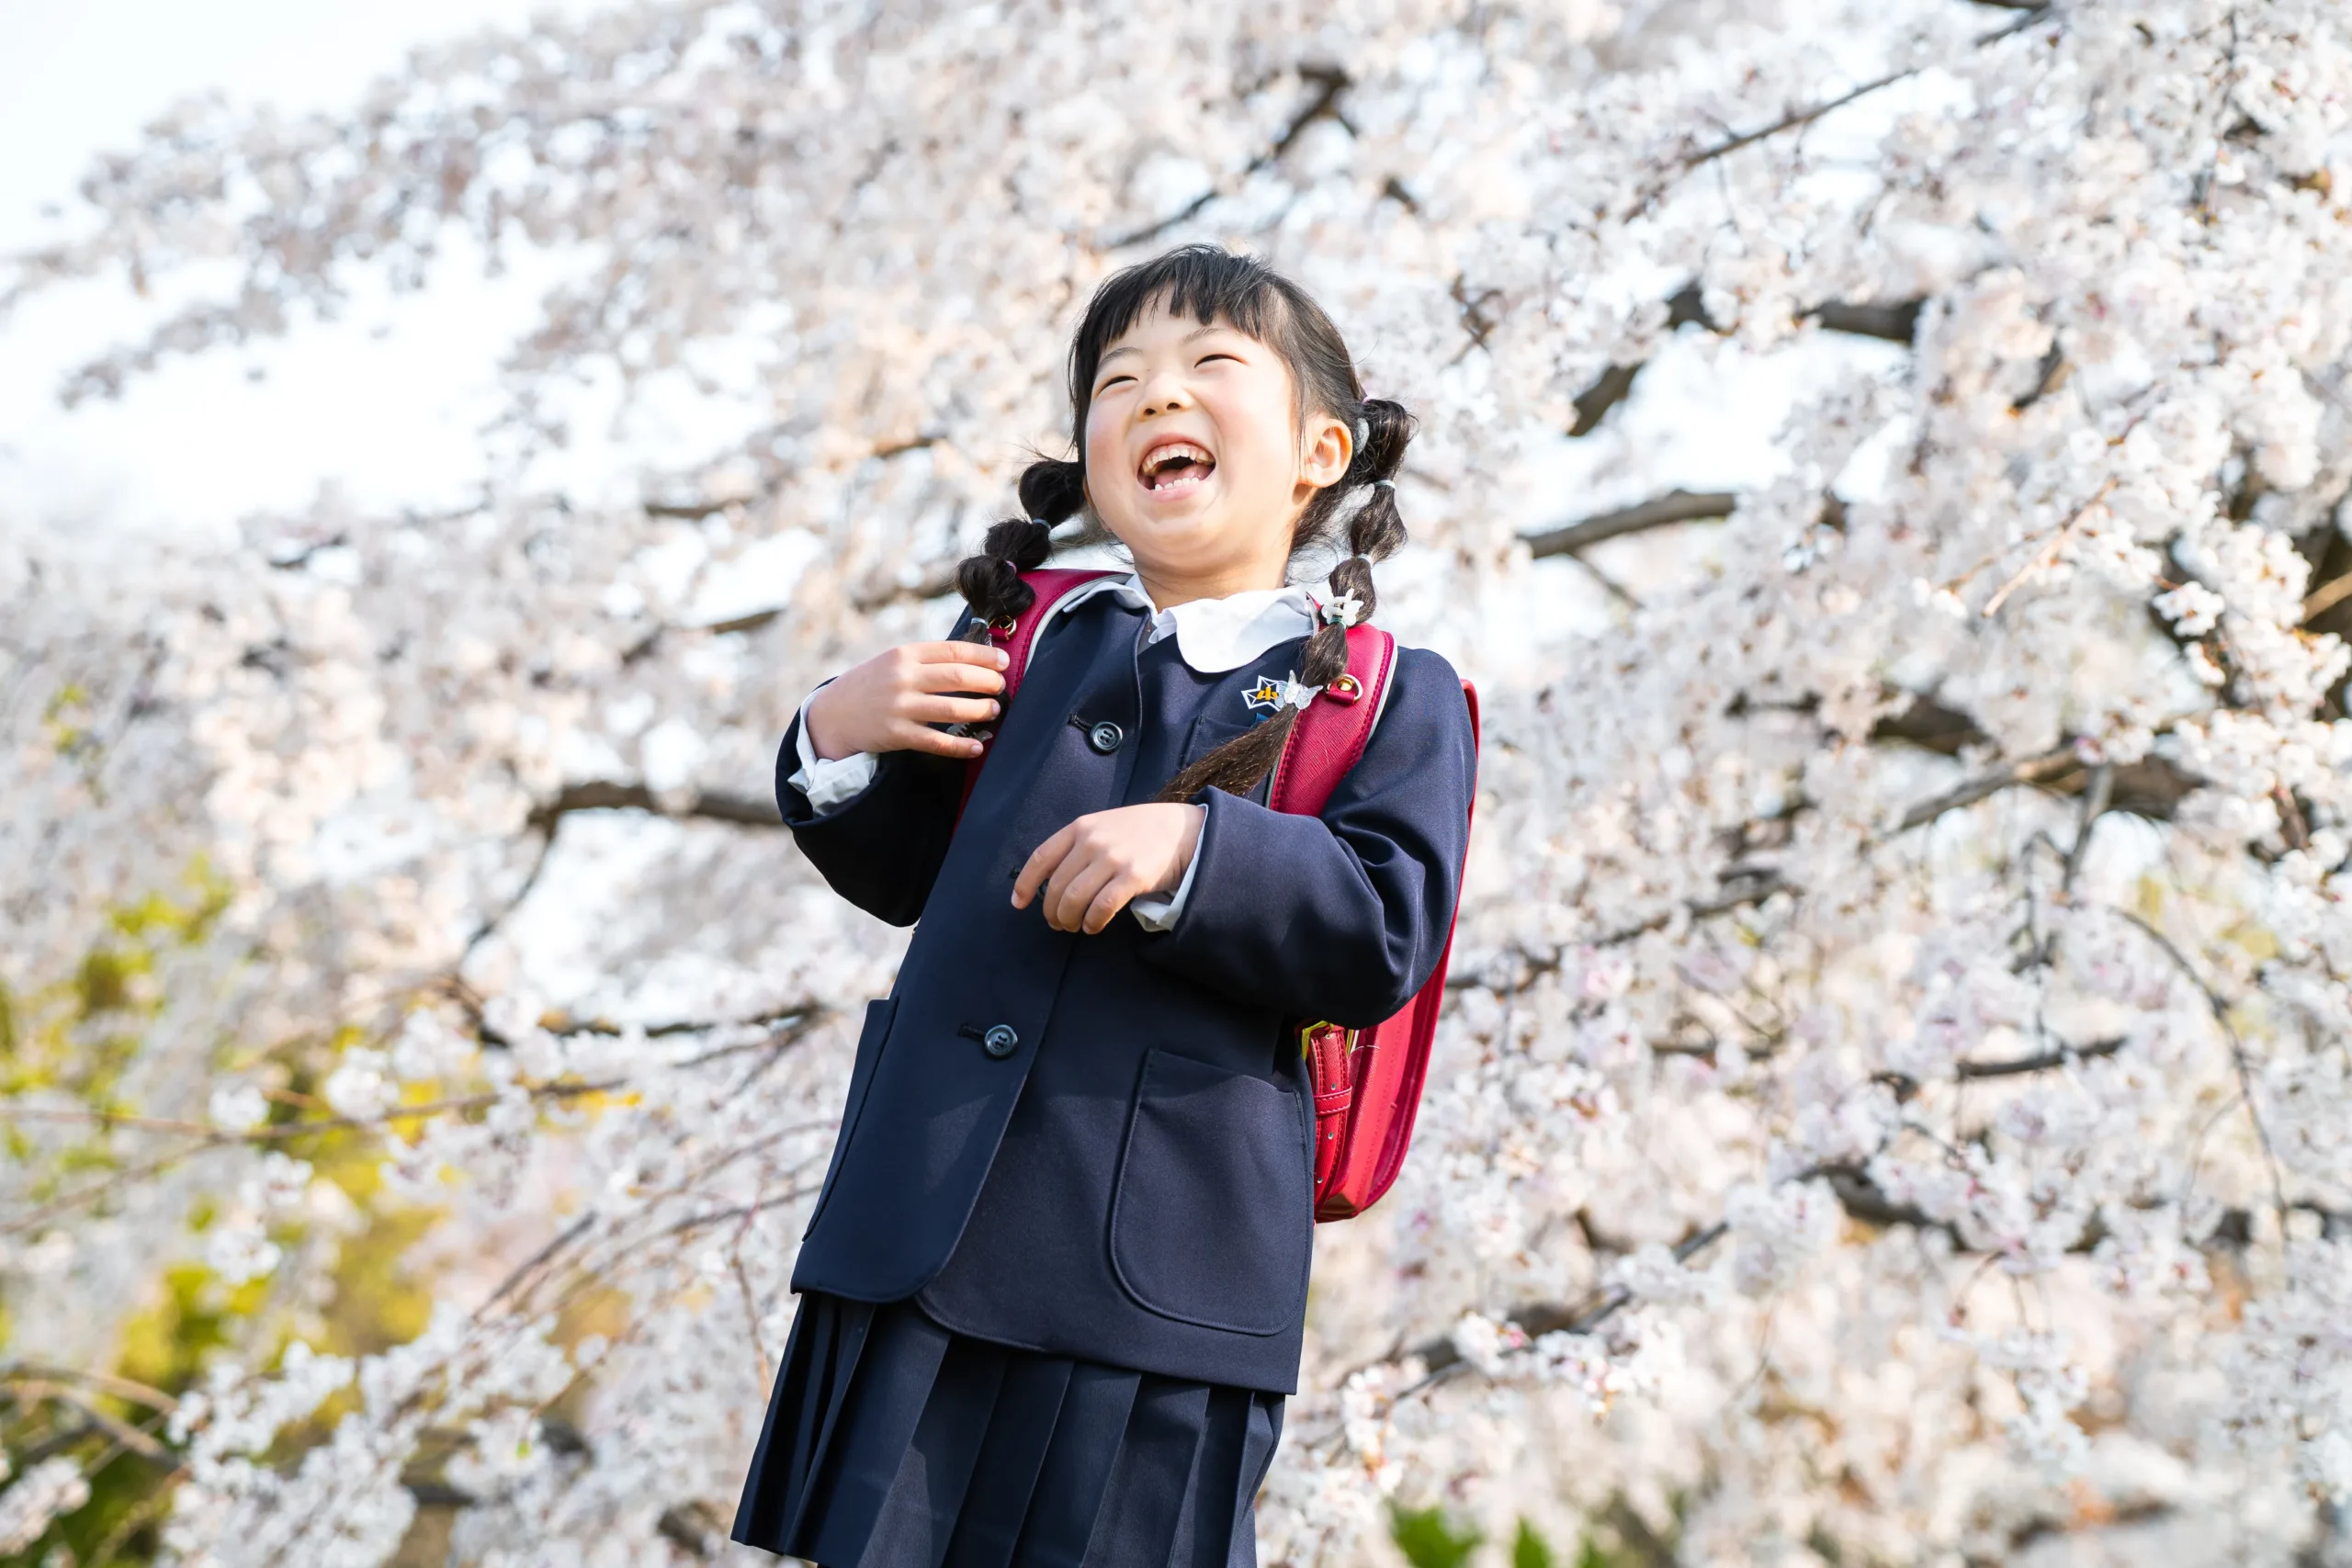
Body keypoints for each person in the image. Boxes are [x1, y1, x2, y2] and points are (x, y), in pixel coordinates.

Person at [730, 244, 1477, 1568]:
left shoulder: (1384, 692)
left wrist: (1200, 850)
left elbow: (1385, 925)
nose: (1156, 395)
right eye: (1118, 380)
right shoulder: (1022, 640)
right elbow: (904, 871)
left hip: (1159, 1293)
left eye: (1210, 365)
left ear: (1320, 451)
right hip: (919, 1235)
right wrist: (832, 736)